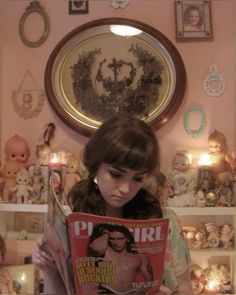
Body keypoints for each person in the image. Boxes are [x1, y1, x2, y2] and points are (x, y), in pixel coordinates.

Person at [32, 114, 193, 294]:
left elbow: (185, 286)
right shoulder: (70, 222)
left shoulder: (166, 222)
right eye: (116, 174)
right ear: (96, 166)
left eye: (138, 178)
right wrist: (49, 269)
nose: (126, 188)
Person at [88, 223, 153, 294]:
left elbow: (150, 281)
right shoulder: (105, 251)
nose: (116, 242)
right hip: (107, 290)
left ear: (127, 239)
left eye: (120, 239)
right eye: (112, 239)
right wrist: (106, 233)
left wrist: (141, 291)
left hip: (131, 292)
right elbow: (95, 248)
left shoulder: (139, 257)